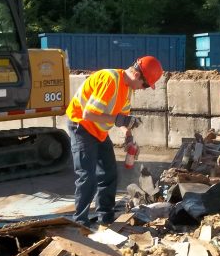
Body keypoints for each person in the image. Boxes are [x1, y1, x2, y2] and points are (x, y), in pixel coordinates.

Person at [66, 55, 163, 226]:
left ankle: (106, 218)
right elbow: (88, 114)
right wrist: (120, 120)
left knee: (109, 173)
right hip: (81, 127)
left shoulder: (127, 89)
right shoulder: (110, 80)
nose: (143, 89)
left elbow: (122, 118)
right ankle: (80, 223)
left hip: (98, 132)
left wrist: (129, 136)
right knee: (87, 176)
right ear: (137, 75)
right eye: (145, 85)